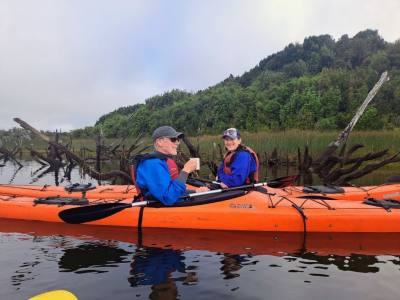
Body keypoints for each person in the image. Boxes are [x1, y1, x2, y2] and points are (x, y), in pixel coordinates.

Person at [132, 126, 208, 206]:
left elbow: (171, 190)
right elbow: (168, 197)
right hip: (155, 208)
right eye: (173, 139)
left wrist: (196, 192)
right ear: (160, 142)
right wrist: (185, 171)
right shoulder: (152, 163)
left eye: (178, 140)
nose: (177, 143)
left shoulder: (162, 160)